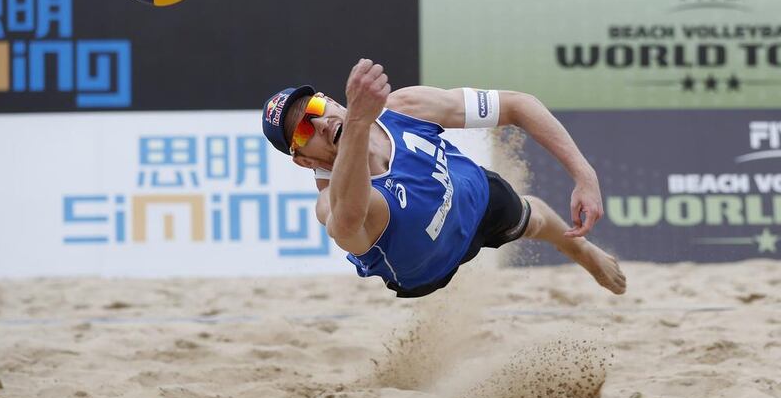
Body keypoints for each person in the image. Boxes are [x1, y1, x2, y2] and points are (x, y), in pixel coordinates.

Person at [261, 59, 626, 299]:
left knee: (537, 218)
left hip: (474, 196)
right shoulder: (331, 204)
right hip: (428, 271)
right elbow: (352, 213)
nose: (321, 123)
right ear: (304, 159)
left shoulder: (405, 107)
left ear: (333, 103)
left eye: (316, 109)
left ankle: (582, 250)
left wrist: (584, 174)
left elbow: (519, 105)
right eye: (304, 128)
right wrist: (356, 123)